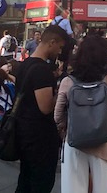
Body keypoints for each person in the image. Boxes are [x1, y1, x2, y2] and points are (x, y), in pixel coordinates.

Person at [54, 34, 107, 193]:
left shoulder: (68, 81)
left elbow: (57, 116)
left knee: (73, 188)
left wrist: (65, 125)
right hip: (102, 142)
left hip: (74, 142)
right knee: (103, 188)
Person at [14, 24, 69, 193]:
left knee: (25, 180)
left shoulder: (24, 65)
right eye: (59, 47)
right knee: (41, 182)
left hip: (23, 130)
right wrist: (60, 91)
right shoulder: (42, 70)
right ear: (51, 42)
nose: (59, 52)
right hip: (39, 136)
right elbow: (45, 107)